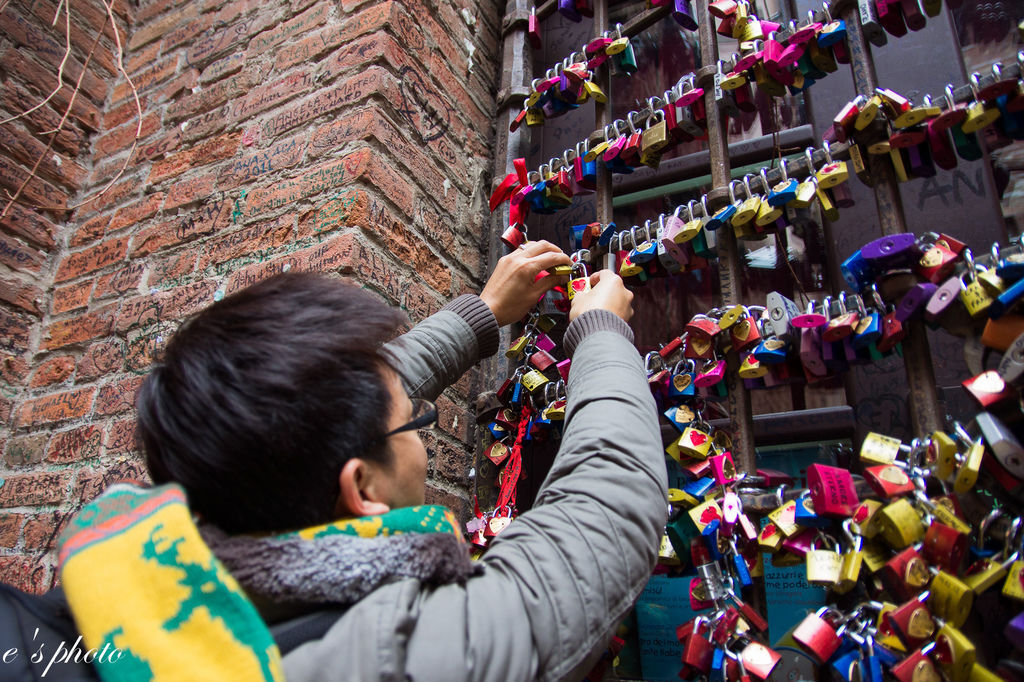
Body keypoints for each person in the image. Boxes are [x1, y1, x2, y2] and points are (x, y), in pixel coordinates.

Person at [131, 239, 667, 681]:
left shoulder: (151, 591)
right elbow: (605, 508)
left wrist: (481, 313)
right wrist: (601, 332)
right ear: (362, 488)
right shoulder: (398, 655)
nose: (419, 423)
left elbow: (336, 410)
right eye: (415, 418)